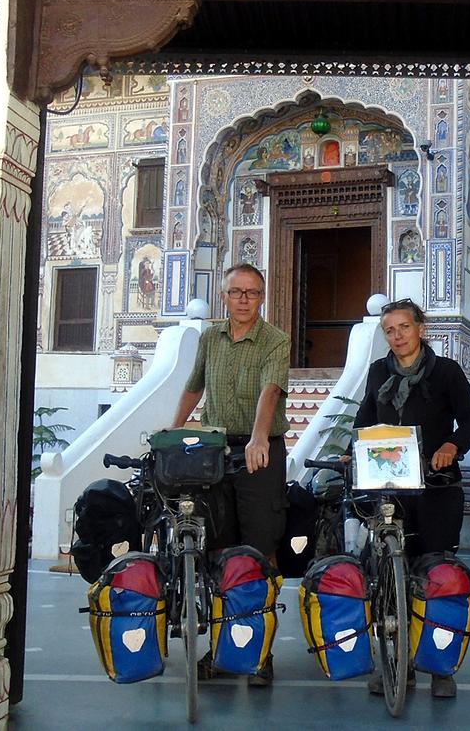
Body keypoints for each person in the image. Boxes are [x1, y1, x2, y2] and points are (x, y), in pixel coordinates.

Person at [354, 298, 470, 699]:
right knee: (392, 575)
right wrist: (350, 450)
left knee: (437, 574)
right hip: (390, 488)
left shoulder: (445, 372)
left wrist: (451, 446)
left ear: (420, 328)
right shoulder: (378, 372)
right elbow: (363, 422)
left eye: (404, 327)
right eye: (390, 330)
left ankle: (440, 667)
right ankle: (400, 663)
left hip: (436, 487)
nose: (397, 336)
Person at [172, 263, 290, 686]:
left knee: (261, 550)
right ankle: (223, 650)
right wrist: (174, 428)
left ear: (262, 298)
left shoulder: (275, 340)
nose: (243, 299)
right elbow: (194, 384)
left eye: (252, 292)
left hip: (261, 450)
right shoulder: (209, 337)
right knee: (218, 551)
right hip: (215, 449)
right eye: (236, 292)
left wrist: (259, 439)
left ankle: (261, 652)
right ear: (223, 296)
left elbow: (270, 389)